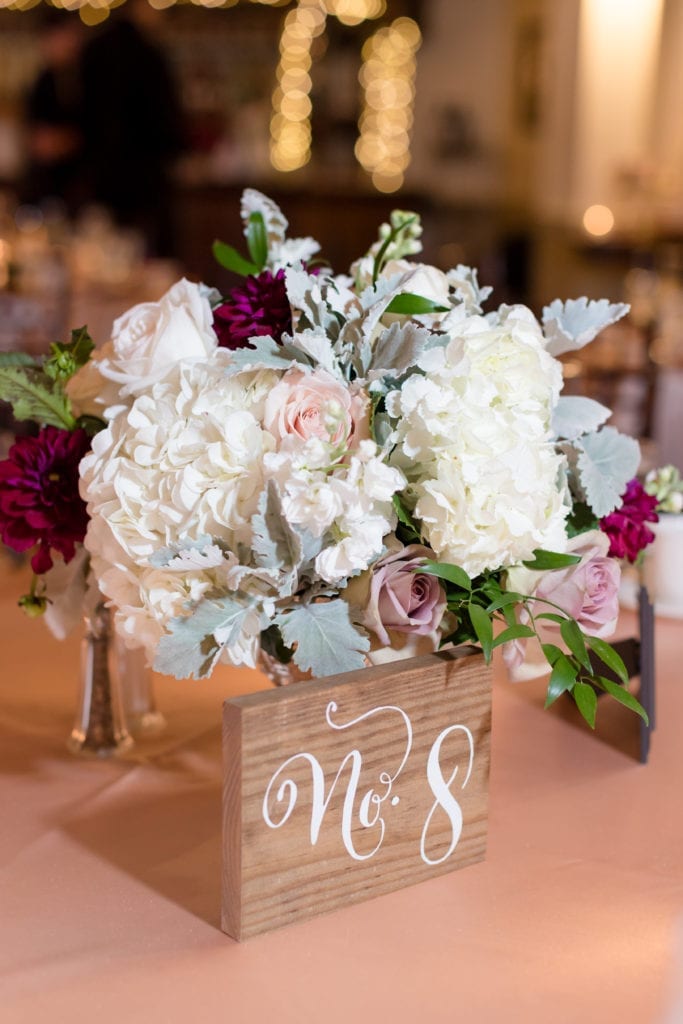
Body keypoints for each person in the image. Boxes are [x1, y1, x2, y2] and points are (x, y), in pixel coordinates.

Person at [79, 0, 185, 257]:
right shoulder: (150, 55)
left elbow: (83, 116)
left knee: (103, 254)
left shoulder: (93, 50)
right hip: (145, 180)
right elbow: (168, 121)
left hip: (100, 177)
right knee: (147, 261)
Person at [22, 10, 86, 216]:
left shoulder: (83, 79)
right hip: (46, 185)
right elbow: (35, 140)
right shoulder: (43, 82)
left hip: (77, 184)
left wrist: (64, 141)